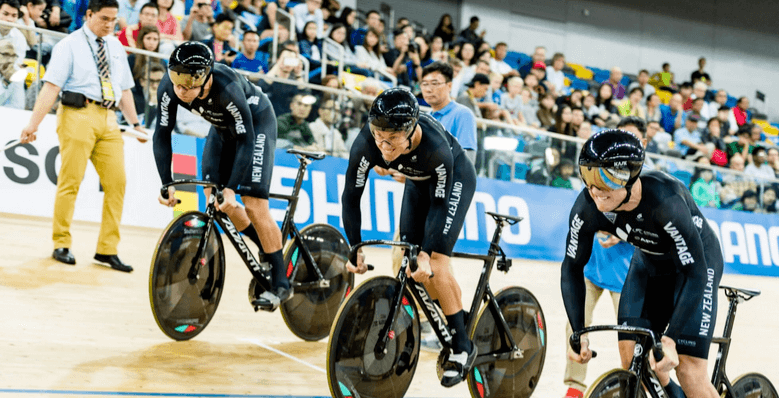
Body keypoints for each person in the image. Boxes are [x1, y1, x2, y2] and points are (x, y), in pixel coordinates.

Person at [563, 129, 724, 398]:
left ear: (629, 176)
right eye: (587, 175)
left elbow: (695, 273)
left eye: (603, 178)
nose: (594, 190)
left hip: (697, 265)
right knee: (632, 361)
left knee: (688, 371)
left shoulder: (664, 200)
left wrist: (671, 339)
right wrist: (578, 333)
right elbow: (571, 267)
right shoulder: (588, 205)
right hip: (648, 263)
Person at [342, 88, 478, 388]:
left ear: (410, 130)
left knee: (435, 263)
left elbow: (441, 205)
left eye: (391, 140)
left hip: (453, 181)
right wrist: (355, 248)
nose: (382, 146)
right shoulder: (368, 141)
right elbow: (351, 197)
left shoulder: (436, 147)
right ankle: (457, 313)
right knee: (409, 261)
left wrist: (429, 252)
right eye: (378, 136)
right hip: (418, 183)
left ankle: (462, 346)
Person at [153, 41, 292, 308]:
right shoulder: (170, 88)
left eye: (188, 83)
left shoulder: (227, 87)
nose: (181, 90)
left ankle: (281, 282)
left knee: (253, 203)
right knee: (214, 197)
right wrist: (165, 181)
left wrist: (231, 187)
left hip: (256, 124)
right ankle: (263, 244)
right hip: (221, 128)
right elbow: (161, 134)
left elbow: (246, 140)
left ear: (206, 77)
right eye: (176, 81)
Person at [18, 0, 143, 272]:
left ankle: (107, 249)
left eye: (114, 19)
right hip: (77, 113)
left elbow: (124, 89)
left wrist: (135, 123)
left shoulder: (116, 46)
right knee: (71, 180)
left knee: (117, 182)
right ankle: (61, 242)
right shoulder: (69, 44)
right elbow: (51, 87)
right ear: (88, 14)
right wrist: (33, 124)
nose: (110, 24)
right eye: (104, 18)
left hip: (110, 118)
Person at [421, 61, 477, 164]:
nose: (428, 89)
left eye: (435, 83)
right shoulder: (424, 119)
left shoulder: (462, 114)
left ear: (449, 86)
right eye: (424, 84)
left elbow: (466, 163)